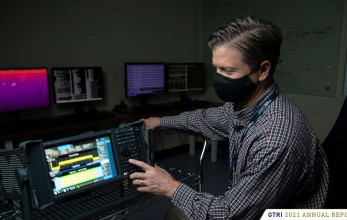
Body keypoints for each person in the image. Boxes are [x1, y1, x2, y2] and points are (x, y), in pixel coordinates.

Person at [128, 15, 329, 220]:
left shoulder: (275, 140)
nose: (218, 78)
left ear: (263, 70)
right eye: (217, 69)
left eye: (228, 70)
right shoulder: (246, 106)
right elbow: (205, 119)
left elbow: (230, 215)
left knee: (174, 215)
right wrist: (159, 122)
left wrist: (171, 187)